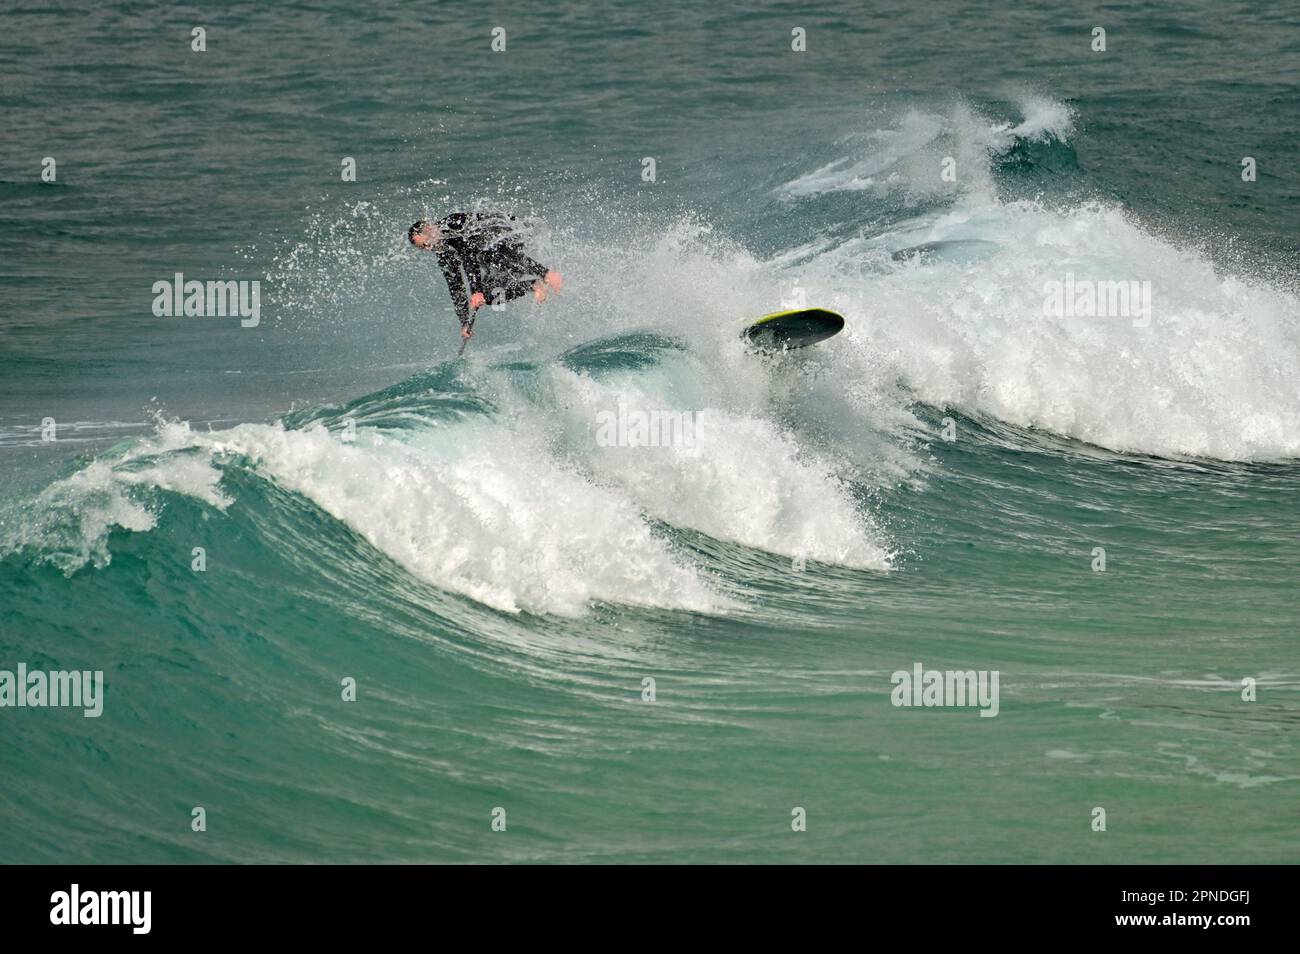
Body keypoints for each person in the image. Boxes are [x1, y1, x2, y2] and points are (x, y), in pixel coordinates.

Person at [408, 211, 562, 340]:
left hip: (509, 236)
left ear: (429, 229)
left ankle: (545, 274)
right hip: (498, 256)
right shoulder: (443, 251)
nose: (428, 249)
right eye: (423, 248)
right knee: (491, 296)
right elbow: (455, 287)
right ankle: (533, 285)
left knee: (490, 252)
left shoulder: (453, 225)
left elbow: (469, 256)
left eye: (425, 244)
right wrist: (465, 322)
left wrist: (476, 291)